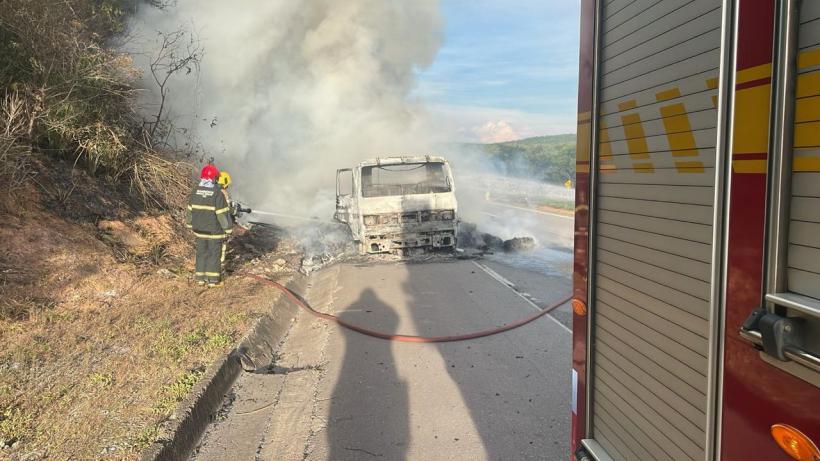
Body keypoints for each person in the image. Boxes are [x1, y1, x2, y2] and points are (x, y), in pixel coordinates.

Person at [186, 164, 233, 287]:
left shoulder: (195, 191)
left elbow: (190, 210)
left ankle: (200, 279)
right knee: (214, 254)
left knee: (201, 253)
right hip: (214, 231)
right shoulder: (217, 194)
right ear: (214, 178)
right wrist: (228, 229)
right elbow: (222, 214)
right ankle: (212, 281)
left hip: (199, 230)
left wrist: (190, 224)